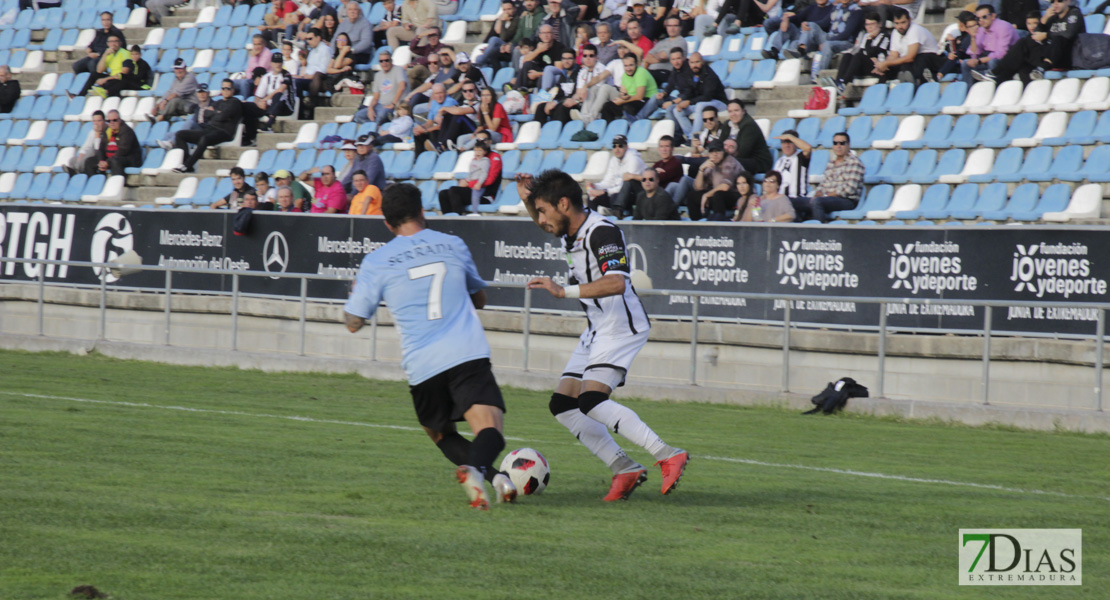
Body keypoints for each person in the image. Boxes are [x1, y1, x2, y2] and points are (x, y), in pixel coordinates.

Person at [517, 169, 689, 502]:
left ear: (564, 204)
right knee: (563, 404)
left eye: (543, 210)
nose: (541, 220)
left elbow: (617, 283)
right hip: (597, 327)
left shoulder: (601, 232)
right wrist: (528, 199)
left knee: (592, 400)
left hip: (619, 326)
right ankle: (623, 466)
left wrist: (561, 291)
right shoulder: (571, 229)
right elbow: (545, 222)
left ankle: (667, 453)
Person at [344, 182, 518, 510]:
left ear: (387, 223)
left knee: (440, 434)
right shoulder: (452, 244)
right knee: (490, 429)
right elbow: (479, 299)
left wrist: (355, 292)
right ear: (423, 211)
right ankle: (478, 472)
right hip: (465, 352)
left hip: (422, 365)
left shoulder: (376, 261)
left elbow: (353, 322)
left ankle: (494, 478)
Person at [976, 3, 1084, 82]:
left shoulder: (1074, 14)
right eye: (1052, 1)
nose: (1055, 4)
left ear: (1068, 1)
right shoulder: (1052, 18)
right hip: (1050, 55)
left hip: (1069, 56)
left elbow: (1068, 34)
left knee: (1058, 39)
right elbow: (1036, 35)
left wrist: (1046, 35)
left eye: (1059, 1)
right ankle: (995, 74)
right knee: (1024, 47)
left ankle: (1042, 68)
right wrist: (1044, 19)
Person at [172, 79, 243, 174]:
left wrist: (214, 113)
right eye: (223, 88)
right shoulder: (218, 102)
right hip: (210, 128)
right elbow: (206, 113)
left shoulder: (235, 102)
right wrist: (216, 113)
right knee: (180, 134)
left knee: (204, 139)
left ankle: (186, 165)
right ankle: (188, 163)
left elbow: (222, 116)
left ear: (233, 90)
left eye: (228, 88)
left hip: (224, 132)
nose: (225, 90)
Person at [872, 8, 943, 88]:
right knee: (891, 67)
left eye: (903, 22)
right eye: (897, 23)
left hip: (930, 60)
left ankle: (914, 85)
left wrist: (886, 63)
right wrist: (883, 66)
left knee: (915, 60)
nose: (900, 26)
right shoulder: (896, 32)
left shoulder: (915, 30)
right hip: (914, 62)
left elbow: (910, 57)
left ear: (910, 20)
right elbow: (893, 55)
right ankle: (882, 88)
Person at [805, 131, 864, 221]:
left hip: (846, 200)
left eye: (842, 143)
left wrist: (825, 195)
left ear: (849, 145)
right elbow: (823, 185)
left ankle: (819, 233)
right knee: (796, 202)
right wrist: (818, 193)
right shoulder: (831, 163)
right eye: (835, 143)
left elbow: (849, 189)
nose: (838, 146)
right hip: (828, 198)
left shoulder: (855, 162)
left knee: (818, 202)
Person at [665, 52, 727, 138]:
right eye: (692, 62)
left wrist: (689, 102)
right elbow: (689, 91)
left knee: (699, 105)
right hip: (699, 102)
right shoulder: (689, 74)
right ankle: (690, 137)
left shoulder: (709, 75)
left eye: (697, 62)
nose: (695, 65)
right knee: (677, 110)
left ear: (702, 61)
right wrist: (682, 102)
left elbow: (707, 96)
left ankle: (695, 136)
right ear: (689, 63)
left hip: (719, 102)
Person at [829, 11, 890, 94]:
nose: (869, 27)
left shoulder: (884, 36)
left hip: (877, 68)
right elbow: (863, 51)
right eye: (867, 25)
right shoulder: (866, 36)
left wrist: (869, 39)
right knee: (847, 55)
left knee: (859, 56)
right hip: (866, 65)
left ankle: (844, 83)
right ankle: (839, 81)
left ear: (879, 24)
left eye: (872, 24)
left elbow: (871, 52)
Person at [242, 54, 296, 147]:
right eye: (275, 62)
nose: (278, 64)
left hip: (286, 106)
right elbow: (258, 96)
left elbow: (281, 89)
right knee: (247, 107)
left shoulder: (286, 75)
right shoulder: (267, 77)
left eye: (279, 62)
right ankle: (250, 137)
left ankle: (269, 125)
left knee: (278, 96)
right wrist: (260, 103)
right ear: (271, 63)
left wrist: (266, 99)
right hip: (270, 106)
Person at [588, 135, 646, 217]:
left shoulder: (634, 160)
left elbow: (625, 186)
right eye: (614, 146)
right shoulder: (613, 160)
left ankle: (617, 211)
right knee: (592, 196)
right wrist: (595, 186)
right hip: (617, 194)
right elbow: (608, 181)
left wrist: (605, 192)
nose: (617, 149)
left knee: (627, 182)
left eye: (620, 146)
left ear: (626, 147)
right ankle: (591, 221)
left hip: (634, 195)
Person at [960, 4, 1018, 83]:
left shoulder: (1003, 27)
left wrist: (979, 61)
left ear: (993, 16)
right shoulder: (981, 30)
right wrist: (973, 38)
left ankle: (995, 89)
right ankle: (968, 92)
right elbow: (974, 55)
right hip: (987, 58)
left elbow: (1001, 54)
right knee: (966, 64)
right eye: (978, 18)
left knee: (992, 61)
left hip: (1007, 60)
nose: (981, 20)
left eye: (984, 17)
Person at [761, 0, 836, 60]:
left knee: (810, 25)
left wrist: (807, 23)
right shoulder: (812, 7)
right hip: (804, 37)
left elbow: (825, 23)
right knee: (789, 25)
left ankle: (801, 49)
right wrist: (786, 20)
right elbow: (797, 18)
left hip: (817, 40)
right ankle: (774, 51)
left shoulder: (833, 8)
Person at [812, 0, 865, 78]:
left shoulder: (856, 11)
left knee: (827, 44)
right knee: (811, 25)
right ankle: (801, 50)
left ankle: (819, 75)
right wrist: (807, 23)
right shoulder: (836, 7)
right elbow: (824, 23)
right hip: (830, 38)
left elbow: (847, 34)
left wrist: (828, 41)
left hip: (846, 42)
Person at [438, 139, 492, 214]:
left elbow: (484, 174)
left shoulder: (485, 161)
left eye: (480, 151)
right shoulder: (473, 160)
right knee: (443, 193)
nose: (477, 153)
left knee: (453, 190)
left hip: (477, 190)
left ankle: (459, 216)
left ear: (485, 152)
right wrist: (465, 180)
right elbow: (470, 174)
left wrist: (479, 183)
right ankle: (449, 217)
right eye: (476, 150)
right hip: (469, 186)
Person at [693, 140, 743, 220]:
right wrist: (701, 170)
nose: (715, 154)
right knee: (693, 195)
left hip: (738, 195)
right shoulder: (711, 163)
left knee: (718, 194)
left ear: (723, 152)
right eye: (712, 152)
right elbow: (698, 187)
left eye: (718, 151)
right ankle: (696, 226)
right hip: (721, 196)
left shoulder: (729, 162)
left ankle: (719, 223)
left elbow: (725, 187)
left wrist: (706, 195)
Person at [84, 110, 142, 178]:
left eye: (114, 120)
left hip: (129, 159)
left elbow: (123, 150)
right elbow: (101, 148)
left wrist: (107, 162)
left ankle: (117, 184)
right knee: (89, 161)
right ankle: (97, 183)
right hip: (111, 158)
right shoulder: (107, 130)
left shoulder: (126, 131)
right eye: (109, 121)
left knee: (115, 161)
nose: (112, 123)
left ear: (120, 120)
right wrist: (101, 161)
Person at [600, 53, 657, 121]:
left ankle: (630, 127)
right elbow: (623, 92)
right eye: (626, 66)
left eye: (631, 65)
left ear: (636, 64)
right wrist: (623, 96)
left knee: (628, 107)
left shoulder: (641, 73)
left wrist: (622, 101)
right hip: (632, 99)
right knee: (607, 106)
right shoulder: (625, 75)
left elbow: (639, 96)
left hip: (646, 100)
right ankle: (610, 129)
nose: (628, 69)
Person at [148, 58, 199, 123]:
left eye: (180, 68)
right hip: (180, 106)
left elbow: (176, 94)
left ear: (185, 68)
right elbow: (169, 92)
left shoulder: (190, 78)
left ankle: (159, 118)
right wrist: (157, 105)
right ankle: (157, 116)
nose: (178, 70)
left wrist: (165, 101)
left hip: (191, 105)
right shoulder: (176, 80)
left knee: (174, 100)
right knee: (167, 101)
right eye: (176, 68)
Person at [772, 129, 812, 209]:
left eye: (789, 142)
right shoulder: (779, 161)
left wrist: (790, 137)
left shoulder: (800, 157)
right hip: (780, 200)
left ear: (796, 144)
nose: (787, 145)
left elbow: (808, 148)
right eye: (784, 142)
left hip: (797, 199)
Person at [653, 135, 694, 210]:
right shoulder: (657, 164)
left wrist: (654, 173)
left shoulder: (676, 163)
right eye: (661, 147)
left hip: (676, 196)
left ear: (672, 149)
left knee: (672, 185)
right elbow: (649, 177)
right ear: (658, 149)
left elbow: (659, 178)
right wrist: (654, 172)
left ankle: (671, 209)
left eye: (667, 146)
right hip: (660, 196)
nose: (664, 150)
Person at [66, 110, 106, 175]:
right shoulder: (92, 132)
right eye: (94, 121)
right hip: (91, 155)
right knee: (72, 160)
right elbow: (86, 145)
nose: (96, 123)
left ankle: (75, 171)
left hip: (100, 156)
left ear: (104, 121)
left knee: (90, 151)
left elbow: (98, 149)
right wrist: (81, 155)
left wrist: (97, 134)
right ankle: (75, 170)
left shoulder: (106, 131)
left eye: (99, 121)